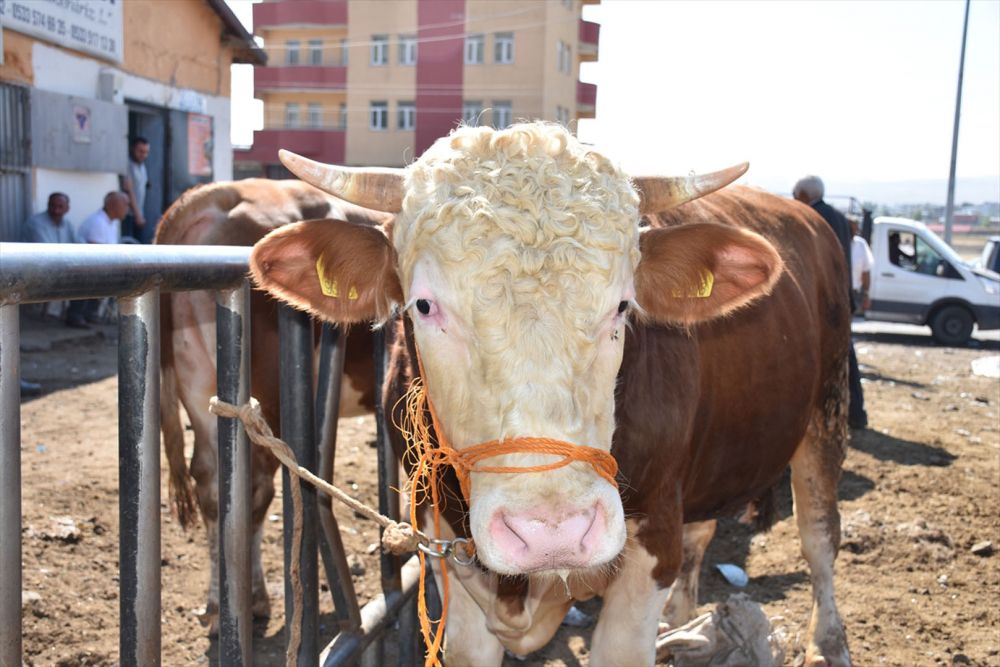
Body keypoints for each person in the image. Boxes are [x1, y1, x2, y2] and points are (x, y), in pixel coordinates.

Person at [793, 175, 868, 430]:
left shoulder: (808, 217)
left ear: (803, 196)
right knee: (845, 353)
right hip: (840, 295)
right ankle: (856, 411)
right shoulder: (838, 217)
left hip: (821, 298)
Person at [20, 193, 91, 330]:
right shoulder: (36, 223)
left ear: (67, 209)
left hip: (63, 268)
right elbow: (48, 253)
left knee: (92, 275)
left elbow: (81, 246)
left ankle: (78, 316)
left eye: (60, 207)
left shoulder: (67, 224)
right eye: (53, 206)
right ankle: (75, 316)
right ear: (48, 206)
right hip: (39, 271)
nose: (56, 210)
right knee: (81, 277)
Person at [122, 137, 150, 243]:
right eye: (140, 151)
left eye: (146, 152)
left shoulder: (142, 165)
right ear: (132, 149)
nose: (143, 155)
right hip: (129, 214)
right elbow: (129, 190)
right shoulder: (129, 165)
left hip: (139, 213)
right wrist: (137, 215)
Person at [849, 215, 874, 315]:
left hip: (855, 293)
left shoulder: (861, 244)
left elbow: (866, 271)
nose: (853, 232)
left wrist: (866, 294)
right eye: (851, 229)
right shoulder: (838, 242)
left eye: (855, 229)